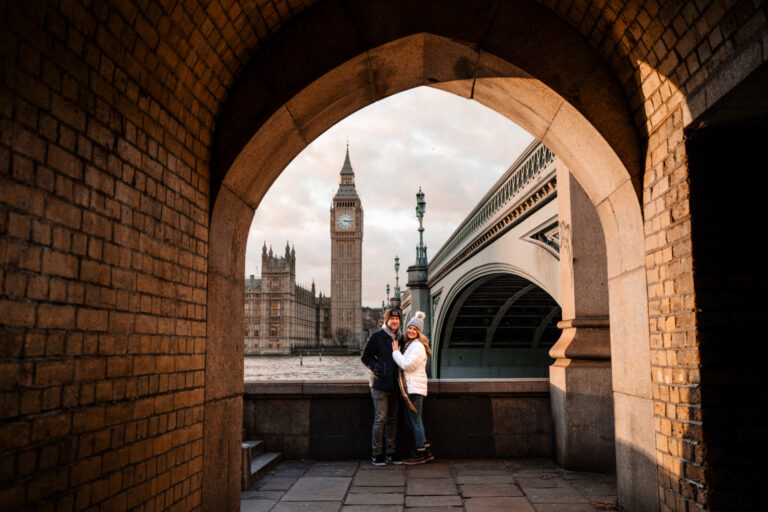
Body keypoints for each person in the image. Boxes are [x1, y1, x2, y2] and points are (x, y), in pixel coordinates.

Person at [361, 307, 403, 466]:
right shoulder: (377, 336)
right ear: (386, 320)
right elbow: (365, 357)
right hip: (379, 385)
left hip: (395, 385)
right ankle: (376, 453)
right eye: (392, 319)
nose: (395, 321)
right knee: (380, 419)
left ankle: (391, 453)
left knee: (393, 420)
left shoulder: (401, 338)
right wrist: (377, 368)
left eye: (397, 319)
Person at [391, 311, 434, 465]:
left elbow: (407, 365)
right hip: (411, 387)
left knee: (415, 422)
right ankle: (426, 451)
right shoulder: (411, 344)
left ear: (419, 332)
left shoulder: (417, 346)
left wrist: (395, 352)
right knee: (414, 422)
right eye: (409, 328)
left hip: (414, 390)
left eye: (414, 329)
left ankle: (419, 452)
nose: (410, 331)